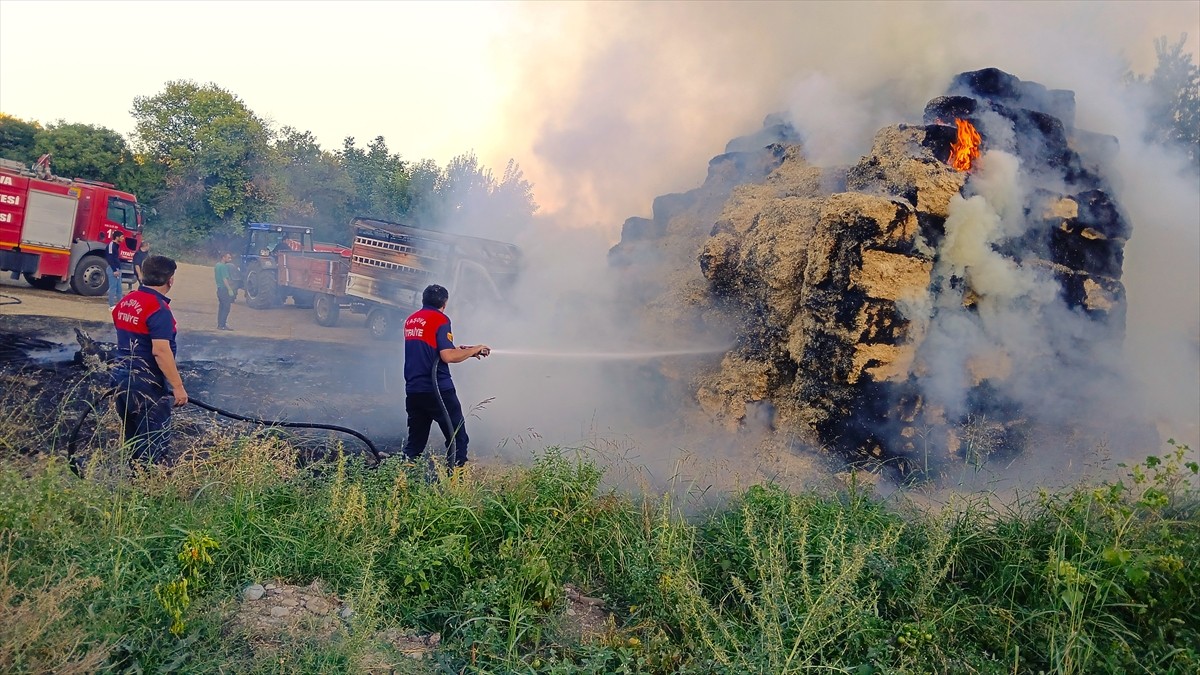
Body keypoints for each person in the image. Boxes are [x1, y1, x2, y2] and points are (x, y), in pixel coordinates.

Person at [401, 284, 490, 470]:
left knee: (415, 444)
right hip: (438, 390)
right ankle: (455, 482)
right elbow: (447, 356)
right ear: (445, 303)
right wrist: (476, 348)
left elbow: (430, 350)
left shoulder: (412, 320)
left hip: (414, 389)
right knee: (458, 437)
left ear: (423, 300)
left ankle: (402, 484)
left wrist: (467, 352)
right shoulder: (440, 319)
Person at [111, 255, 188, 464]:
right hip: (147, 383)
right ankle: (151, 489)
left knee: (134, 439)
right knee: (154, 443)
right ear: (170, 280)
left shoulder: (127, 301)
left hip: (121, 378)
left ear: (143, 275)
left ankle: (136, 486)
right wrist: (178, 386)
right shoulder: (158, 309)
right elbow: (160, 351)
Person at [213, 252, 237, 330]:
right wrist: (229, 289)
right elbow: (225, 279)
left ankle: (220, 324)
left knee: (221, 307)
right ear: (223, 257)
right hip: (224, 289)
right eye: (228, 258)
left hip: (219, 289)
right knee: (226, 308)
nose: (230, 259)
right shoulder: (223, 267)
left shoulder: (217, 265)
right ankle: (222, 325)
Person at [104, 230, 123, 310]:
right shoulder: (111, 245)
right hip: (113, 269)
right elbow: (110, 258)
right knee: (113, 288)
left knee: (119, 288)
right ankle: (111, 305)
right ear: (117, 237)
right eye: (122, 237)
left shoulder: (116, 246)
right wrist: (114, 269)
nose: (123, 239)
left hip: (117, 269)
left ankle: (121, 305)